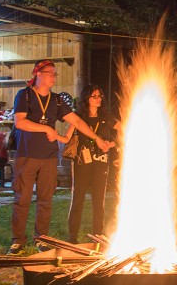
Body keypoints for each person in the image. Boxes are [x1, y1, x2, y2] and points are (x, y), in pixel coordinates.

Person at [9, 60, 113, 254]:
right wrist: (46, 128)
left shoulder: (56, 100)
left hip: (49, 157)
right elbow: (20, 122)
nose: (54, 77)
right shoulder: (25, 95)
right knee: (22, 198)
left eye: (55, 74)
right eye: (51, 73)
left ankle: (41, 238)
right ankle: (18, 240)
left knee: (45, 199)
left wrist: (97, 139)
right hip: (27, 155)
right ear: (38, 74)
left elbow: (77, 121)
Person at [65, 84, 121, 244]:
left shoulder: (106, 117)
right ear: (86, 99)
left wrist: (112, 144)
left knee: (99, 200)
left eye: (100, 96)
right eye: (94, 96)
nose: (98, 99)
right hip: (82, 162)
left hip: (101, 162)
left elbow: (124, 128)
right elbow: (67, 137)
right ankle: (72, 237)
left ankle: (98, 235)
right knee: (78, 198)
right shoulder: (78, 116)